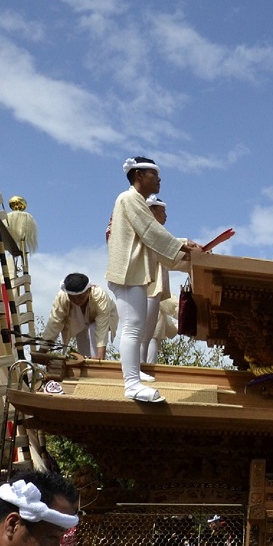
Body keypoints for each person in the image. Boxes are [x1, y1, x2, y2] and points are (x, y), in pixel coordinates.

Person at [105, 156, 200, 402]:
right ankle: (132, 385)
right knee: (133, 327)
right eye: (154, 175)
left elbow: (152, 235)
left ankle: (134, 373)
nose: (159, 180)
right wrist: (184, 246)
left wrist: (184, 246)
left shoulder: (133, 200)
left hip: (132, 272)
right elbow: (151, 231)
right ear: (139, 175)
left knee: (135, 328)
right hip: (127, 273)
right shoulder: (128, 198)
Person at [142, 194, 189, 363]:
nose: (166, 216)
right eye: (163, 211)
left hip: (155, 291)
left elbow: (171, 257)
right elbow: (166, 248)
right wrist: (187, 247)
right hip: (144, 287)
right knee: (143, 334)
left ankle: (143, 367)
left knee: (150, 333)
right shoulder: (147, 232)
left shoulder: (158, 235)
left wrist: (191, 256)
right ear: (152, 212)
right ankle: (139, 368)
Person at [39, 273, 117, 360]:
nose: (76, 300)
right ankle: (86, 362)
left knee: (93, 328)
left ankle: (97, 361)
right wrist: (42, 352)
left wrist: (100, 359)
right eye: (72, 297)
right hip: (79, 321)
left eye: (80, 297)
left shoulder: (100, 296)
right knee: (79, 330)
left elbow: (101, 328)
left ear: (89, 290)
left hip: (105, 318)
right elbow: (54, 323)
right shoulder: (62, 297)